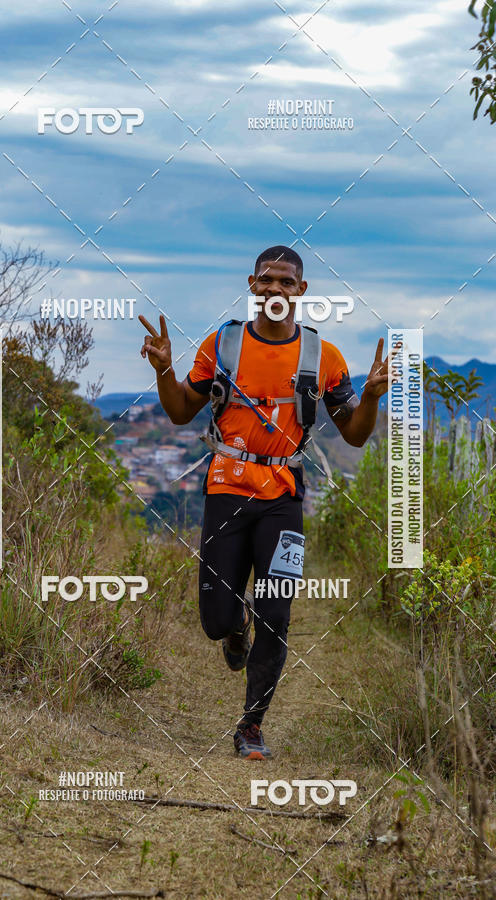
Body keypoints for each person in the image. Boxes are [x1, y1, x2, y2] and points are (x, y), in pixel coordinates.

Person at [139, 245, 392, 759]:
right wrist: (165, 371)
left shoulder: (324, 358)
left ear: (301, 291)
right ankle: (234, 630)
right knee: (215, 618)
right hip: (226, 490)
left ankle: (251, 727)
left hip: (283, 498)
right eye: (267, 280)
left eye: (286, 282)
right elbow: (181, 412)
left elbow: (356, 436)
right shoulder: (223, 345)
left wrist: (369, 398)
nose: (275, 289)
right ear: (252, 285)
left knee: (276, 614)